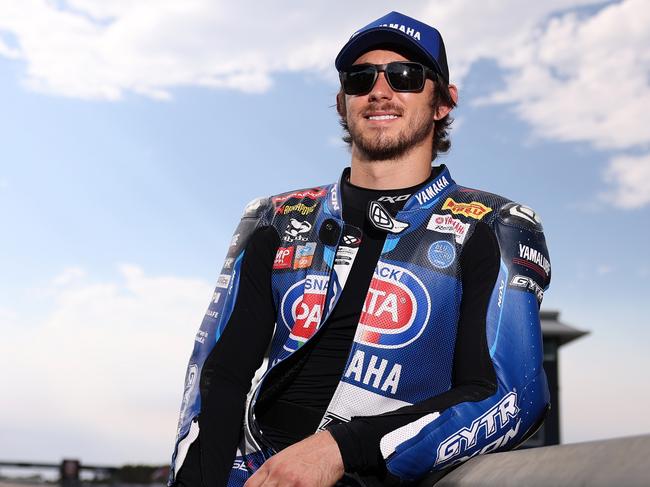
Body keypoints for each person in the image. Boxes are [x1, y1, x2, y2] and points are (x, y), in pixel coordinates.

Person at [168, 11, 552, 487]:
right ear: (342, 101)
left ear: (443, 104)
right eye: (361, 77)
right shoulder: (274, 217)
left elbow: (512, 394)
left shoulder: (495, 223)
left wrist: (339, 449)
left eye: (406, 76)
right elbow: (216, 378)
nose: (380, 90)